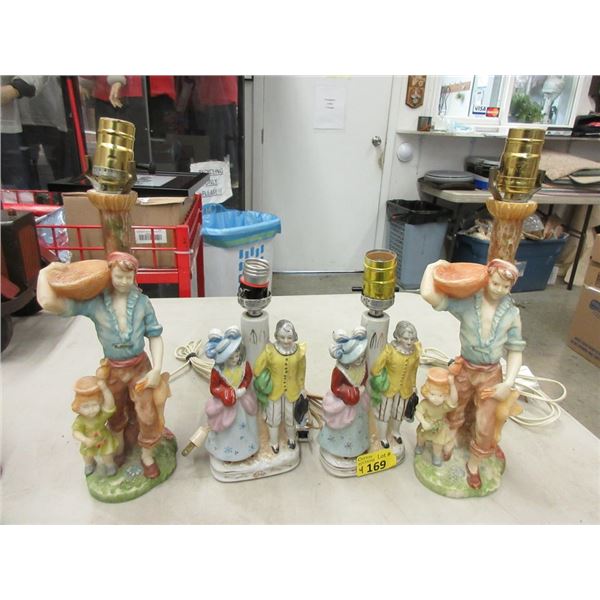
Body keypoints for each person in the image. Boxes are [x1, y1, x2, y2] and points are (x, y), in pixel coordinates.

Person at [37, 252, 171, 479]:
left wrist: (157, 369)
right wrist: (44, 273)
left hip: (140, 367)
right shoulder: (95, 303)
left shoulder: (143, 303)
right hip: (113, 370)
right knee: (113, 411)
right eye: (118, 276)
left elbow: (155, 335)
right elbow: (50, 303)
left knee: (148, 413)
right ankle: (118, 447)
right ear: (109, 274)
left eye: (129, 277)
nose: (124, 282)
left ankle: (147, 455)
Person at [420, 258, 526, 489]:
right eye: (495, 283)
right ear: (487, 279)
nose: (499, 290)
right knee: (452, 408)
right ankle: (449, 441)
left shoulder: (512, 314)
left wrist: (508, 383)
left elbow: (516, 350)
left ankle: (474, 464)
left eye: (505, 286)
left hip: (491, 375)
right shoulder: (468, 302)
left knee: (486, 422)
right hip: (465, 368)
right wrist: (432, 267)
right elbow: (429, 295)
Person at [203, 327, 259, 462]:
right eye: (231, 358)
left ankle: (248, 448)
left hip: (242, 401)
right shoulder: (218, 371)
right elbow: (214, 388)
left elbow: (248, 377)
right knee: (227, 426)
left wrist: (244, 387)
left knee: (245, 423)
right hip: (227, 403)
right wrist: (227, 393)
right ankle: (226, 452)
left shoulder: (243, 366)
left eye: (237, 356)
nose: (235, 359)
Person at [254, 319, 306, 454]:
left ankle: (291, 439)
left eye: (289, 337)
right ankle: (274, 442)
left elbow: (301, 371)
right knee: (273, 418)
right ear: (276, 336)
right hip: (274, 391)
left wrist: (302, 387)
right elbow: (258, 369)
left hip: (292, 391)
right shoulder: (270, 351)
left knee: (291, 417)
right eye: (282, 337)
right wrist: (265, 379)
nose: (286, 340)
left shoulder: (299, 352)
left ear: (294, 336)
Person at [370, 321, 421, 452]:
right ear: (398, 337)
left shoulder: (415, 352)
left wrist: (413, 385)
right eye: (406, 338)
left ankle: (395, 432)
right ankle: (382, 437)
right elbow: (376, 369)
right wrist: (381, 381)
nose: (409, 342)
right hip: (388, 389)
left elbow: (414, 370)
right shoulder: (390, 351)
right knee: (384, 413)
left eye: (412, 339)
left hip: (405, 389)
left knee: (399, 412)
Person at [319, 327, 370, 459]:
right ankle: (340, 450)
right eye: (356, 357)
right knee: (343, 426)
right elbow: (335, 387)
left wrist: (362, 388)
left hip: (359, 402)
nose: (360, 360)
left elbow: (364, 378)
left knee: (358, 427)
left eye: (361, 356)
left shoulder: (363, 366)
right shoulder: (340, 370)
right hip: (345, 402)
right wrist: (352, 392)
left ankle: (358, 447)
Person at [71, 361, 118, 477]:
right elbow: (76, 432)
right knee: (87, 455)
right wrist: (84, 439)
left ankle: (110, 465)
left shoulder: (100, 416)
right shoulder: (81, 420)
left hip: (103, 440)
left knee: (107, 455)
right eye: (85, 407)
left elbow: (110, 406)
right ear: (78, 407)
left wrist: (105, 389)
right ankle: (89, 464)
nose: (91, 410)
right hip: (88, 441)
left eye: (94, 405)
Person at [415, 367, 458, 467]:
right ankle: (420, 445)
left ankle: (436, 455)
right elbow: (418, 412)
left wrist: (452, 385)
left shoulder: (444, 406)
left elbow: (453, 401)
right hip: (426, 425)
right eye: (433, 394)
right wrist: (423, 422)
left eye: (440, 396)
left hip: (439, 427)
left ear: (445, 396)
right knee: (421, 437)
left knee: (438, 443)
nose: (436, 399)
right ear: (426, 392)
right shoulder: (425, 404)